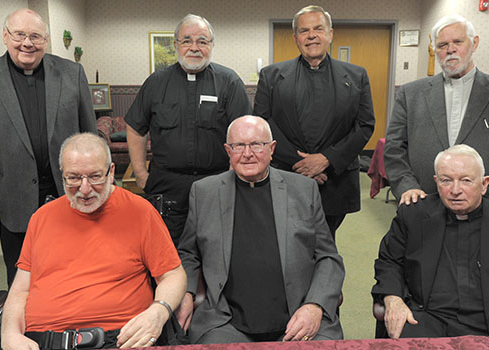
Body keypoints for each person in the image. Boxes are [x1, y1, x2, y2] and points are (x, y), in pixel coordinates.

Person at [1, 133, 186, 349]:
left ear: (111, 172)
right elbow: (21, 290)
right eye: (74, 178)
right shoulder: (41, 218)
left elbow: (173, 274)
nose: (85, 189)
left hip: (118, 340)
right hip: (41, 341)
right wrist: (10, 333)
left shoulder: (141, 212)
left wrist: (158, 311)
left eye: (95, 176)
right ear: (63, 175)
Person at [176, 116, 344, 344]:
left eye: (257, 144)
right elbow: (188, 253)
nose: (247, 153)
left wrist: (314, 305)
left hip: (297, 313)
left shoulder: (303, 189)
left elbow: (328, 257)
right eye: (238, 146)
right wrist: (185, 292)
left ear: (272, 148)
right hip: (226, 321)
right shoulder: (205, 192)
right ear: (228, 150)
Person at [0, 8, 97, 286]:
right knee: (22, 278)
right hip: (14, 201)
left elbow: (90, 135)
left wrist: (96, 184)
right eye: (19, 35)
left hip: (69, 193)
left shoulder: (73, 74)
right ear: (5, 36)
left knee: (76, 270)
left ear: (46, 40)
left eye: (35, 36)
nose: (27, 43)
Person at [372, 144, 489, 338]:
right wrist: (393, 299)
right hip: (426, 319)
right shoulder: (413, 215)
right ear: (436, 182)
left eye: (466, 180)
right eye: (446, 180)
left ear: (484, 184)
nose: (455, 190)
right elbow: (389, 262)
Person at [384, 14, 489, 214]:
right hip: (424, 205)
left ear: (474, 43)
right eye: (442, 44)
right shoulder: (410, 94)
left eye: (457, 42)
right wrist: (406, 186)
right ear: (435, 50)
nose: (450, 49)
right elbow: (394, 149)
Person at [125, 14, 252, 246]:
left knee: (216, 250)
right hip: (166, 186)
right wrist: (141, 173)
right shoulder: (156, 82)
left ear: (211, 46)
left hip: (217, 183)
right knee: (167, 252)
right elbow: (135, 127)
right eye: (187, 41)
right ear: (176, 45)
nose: (194, 47)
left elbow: (246, 135)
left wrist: (241, 176)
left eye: (202, 41)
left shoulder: (229, 82)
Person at [253, 5, 375, 238]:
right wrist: (302, 165)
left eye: (318, 28)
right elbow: (263, 124)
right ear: (295, 38)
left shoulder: (356, 75)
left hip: (335, 179)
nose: (311, 35)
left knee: (326, 243)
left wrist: (326, 159)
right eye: (304, 30)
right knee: (284, 241)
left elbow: (364, 124)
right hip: (287, 175)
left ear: (330, 34)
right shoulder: (271, 76)